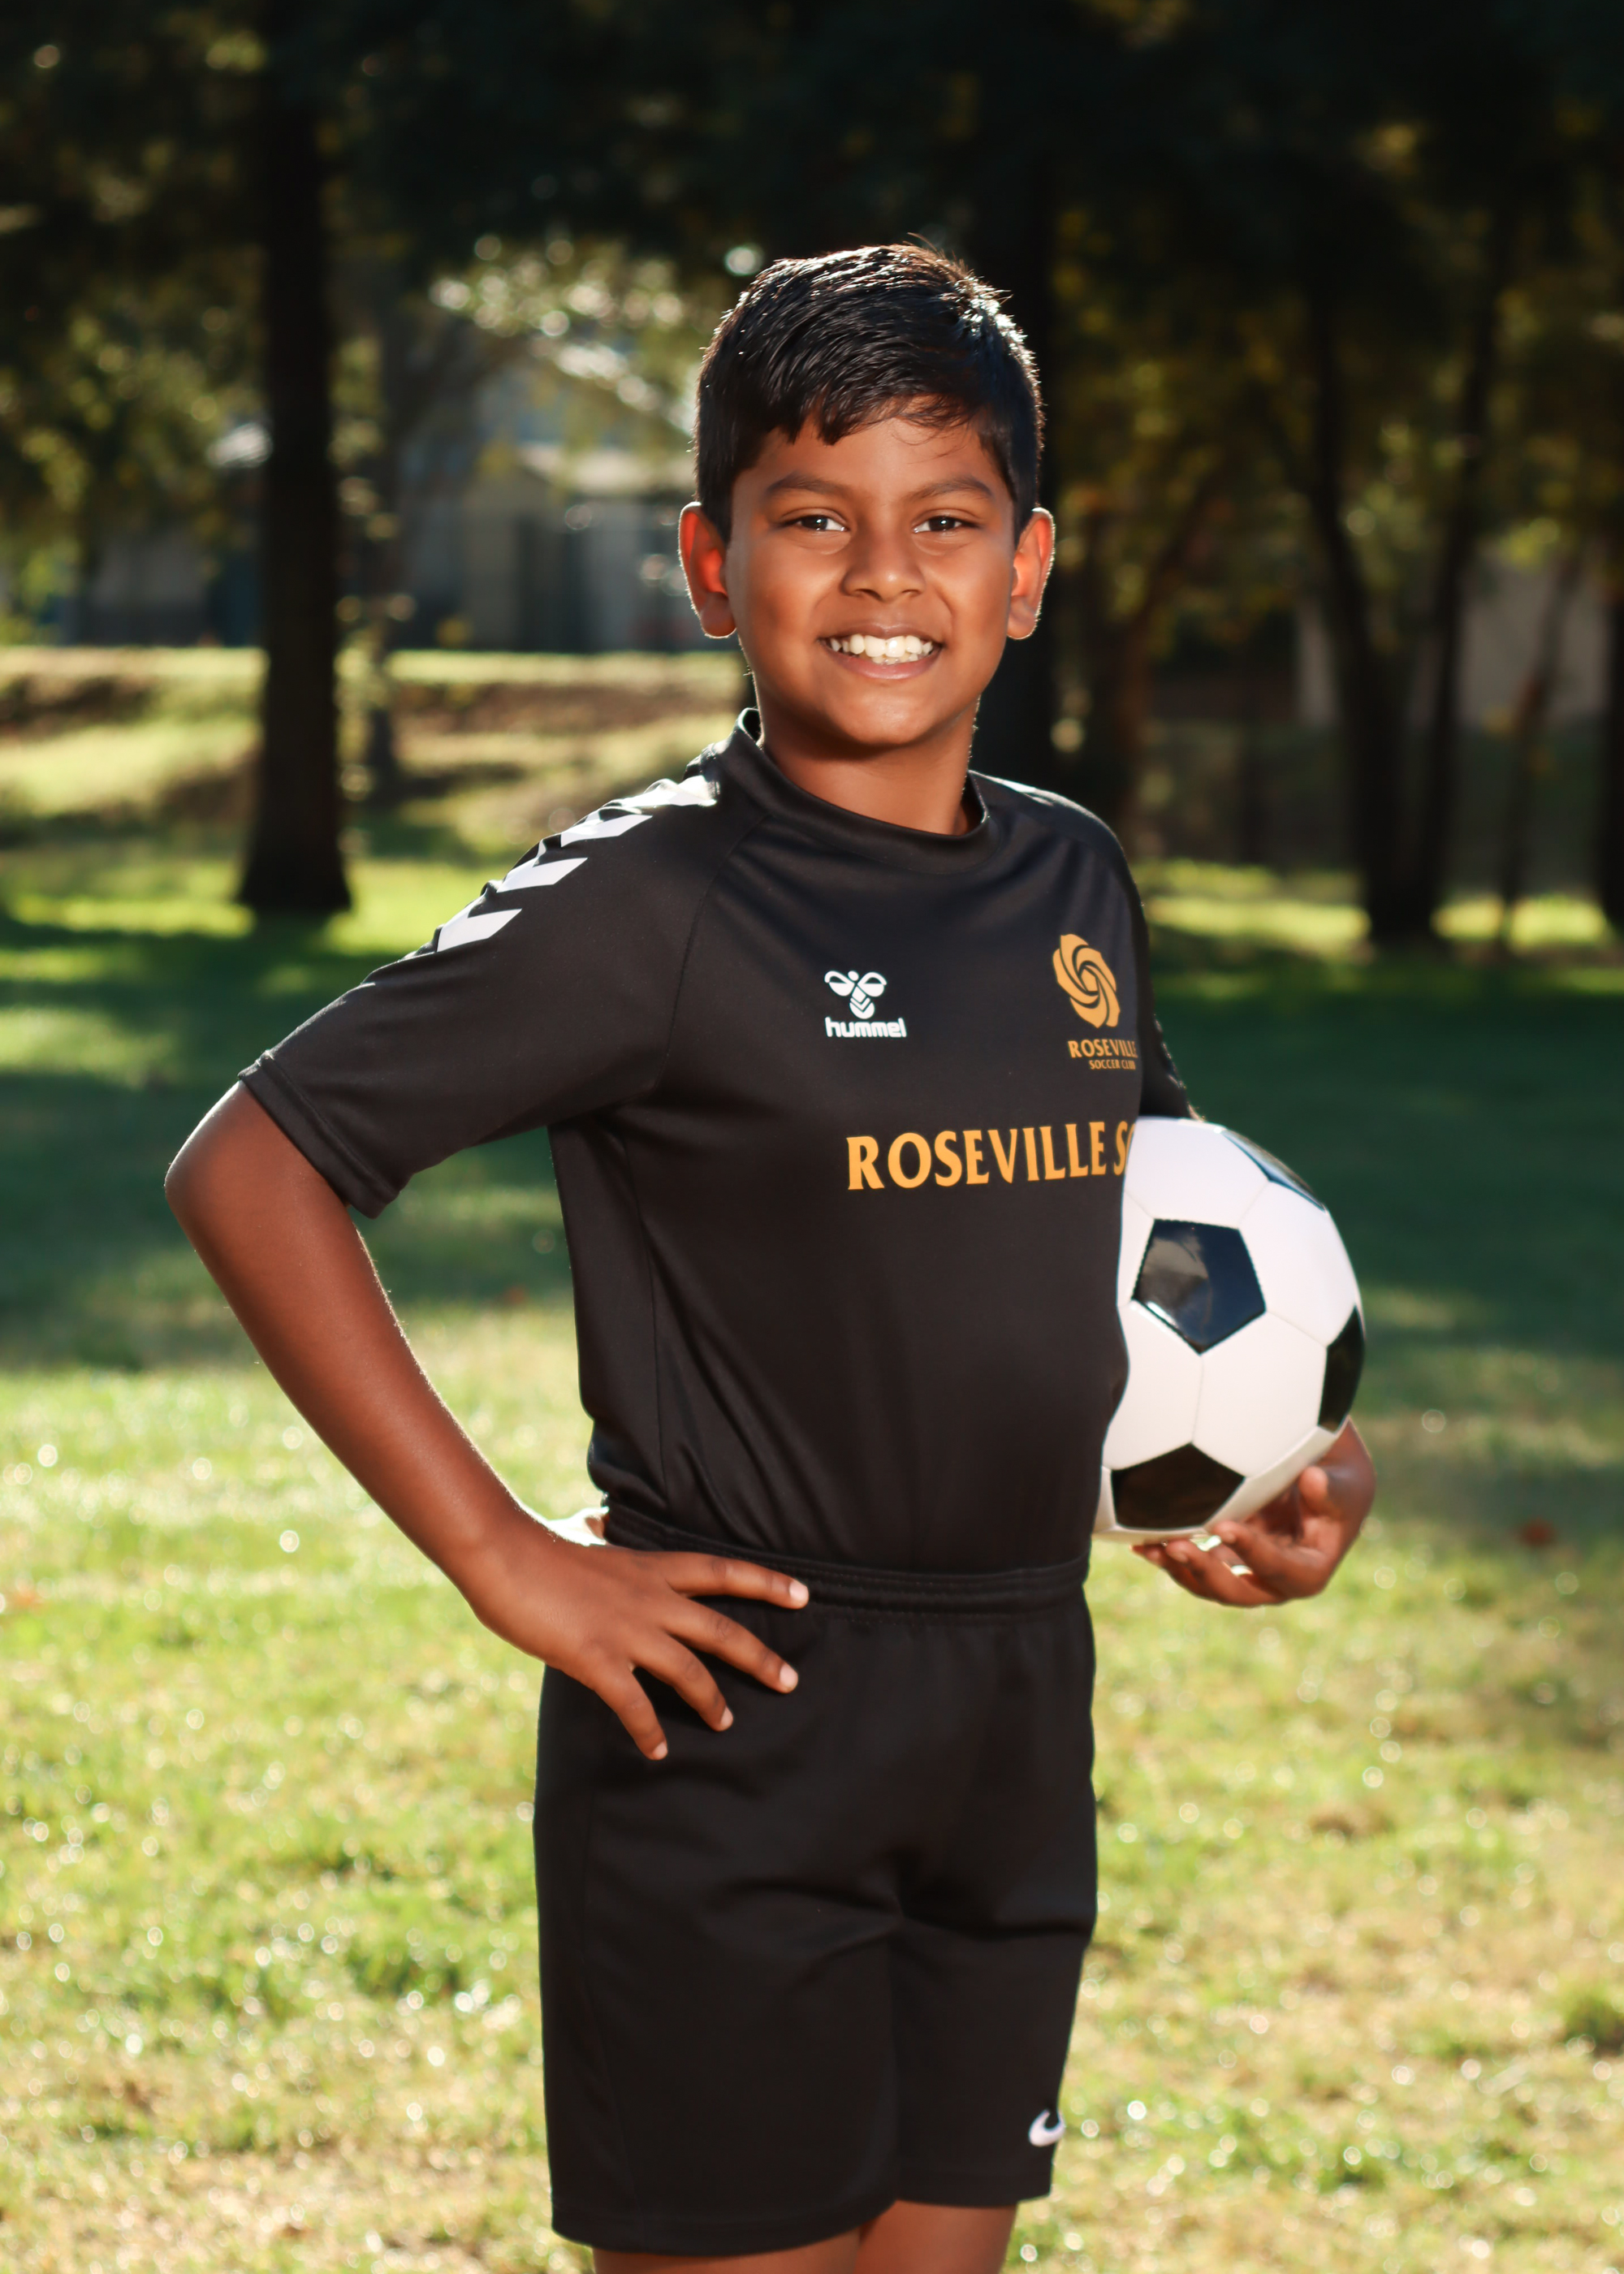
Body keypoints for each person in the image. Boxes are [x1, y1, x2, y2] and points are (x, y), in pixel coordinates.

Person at [166, 245, 1376, 2274]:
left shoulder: (1071, 875)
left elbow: (1148, 1227)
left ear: (1027, 567)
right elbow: (255, 1160)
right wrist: (502, 1553)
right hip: (736, 1727)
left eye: (945, 520)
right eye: (814, 518)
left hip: (1014, 1709)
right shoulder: (654, 900)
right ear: (712, 567)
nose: (883, 574)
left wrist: (1281, 1461)